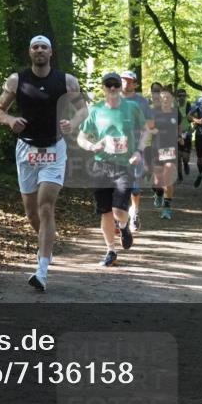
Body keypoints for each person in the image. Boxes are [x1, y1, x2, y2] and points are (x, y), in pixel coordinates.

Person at [0, 35, 86, 292]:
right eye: (35, 46)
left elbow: (83, 110)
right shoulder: (17, 80)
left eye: (44, 47)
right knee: (32, 213)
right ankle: (47, 244)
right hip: (26, 150)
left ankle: (42, 269)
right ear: (30, 52)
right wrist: (10, 120)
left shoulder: (66, 81)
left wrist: (72, 124)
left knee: (46, 206)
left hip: (54, 149)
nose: (40, 50)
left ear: (51, 52)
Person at [77, 72, 149, 267]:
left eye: (115, 85)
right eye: (108, 85)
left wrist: (139, 151)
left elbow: (145, 130)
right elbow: (81, 137)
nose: (112, 88)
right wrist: (92, 147)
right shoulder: (96, 110)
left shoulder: (132, 108)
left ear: (120, 87)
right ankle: (111, 250)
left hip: (124, 166)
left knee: (118, 209)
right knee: (105, 211)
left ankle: (124, 227)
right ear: (103, 87)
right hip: (100, 166)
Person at [120, 70, 154, 232]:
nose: (126, 83)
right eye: (123, 80)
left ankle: (134, 213)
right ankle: (119, 217)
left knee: (134, 186)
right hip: (115, 149)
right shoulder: (113, 99)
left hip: (135, 148)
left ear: (135, 84)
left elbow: (149, 125)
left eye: (129, 81)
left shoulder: (141, 102)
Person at [150, 87, 179, 219]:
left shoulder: (175, 113)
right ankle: (159, 193)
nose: (165, 100)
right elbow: (148, 127)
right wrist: (153, 130)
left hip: (170, 149)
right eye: (162, 98)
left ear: (172, 99)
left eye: (167, 97)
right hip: (157, 148)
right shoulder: (154, 112)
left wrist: (180, 137)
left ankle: (167, 208)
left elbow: (179, 129)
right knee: (158, 179)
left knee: (168, 177)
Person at [176, 87, 193, 182]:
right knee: (178, 156)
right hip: (176, 134)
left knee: (185, 157)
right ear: (177, 97)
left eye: (184, 96)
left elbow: (192, 117)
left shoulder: (188, 105)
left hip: (187, 133)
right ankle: (180, 175)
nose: (182, 98)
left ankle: (186, 164)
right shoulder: (174, 106)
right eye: (180, 96)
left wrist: (193, 126)